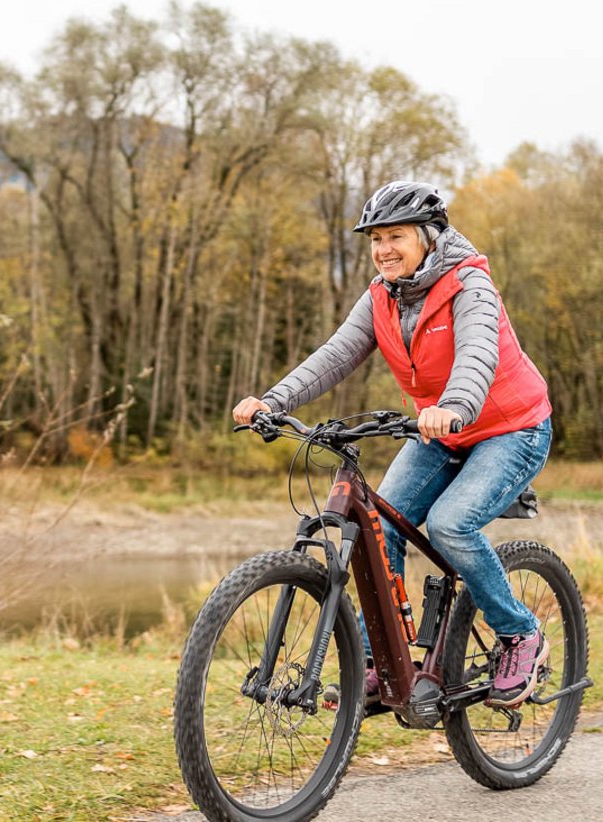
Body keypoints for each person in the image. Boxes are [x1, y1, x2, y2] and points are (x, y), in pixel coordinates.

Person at [231, 180, 553, 709]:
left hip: (510, 429)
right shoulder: (381, 295)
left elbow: (477, 354)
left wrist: (454, 406)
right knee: (378, 525)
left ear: (429, 236)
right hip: (440, 432)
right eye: (376, 239)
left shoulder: (469, 285)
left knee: (450, 524)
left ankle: (521, 635)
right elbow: (336, 355)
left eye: (396, 236)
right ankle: (383, 662)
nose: (383, 249)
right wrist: (274, 400)